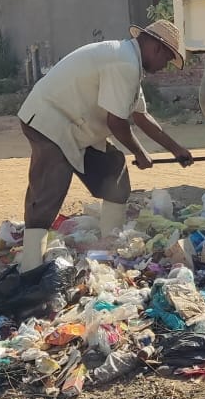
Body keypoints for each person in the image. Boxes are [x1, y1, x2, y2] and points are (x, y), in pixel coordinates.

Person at [15, 19, 194, 270]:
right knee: (48, 191)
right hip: (50, 121)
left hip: (77, 126)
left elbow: (141, 116)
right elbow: (117, 123)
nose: (164, 66)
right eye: (166, 60)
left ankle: (111, 244)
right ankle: (30, 266)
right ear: (156, 48)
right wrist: (140, 153)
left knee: (114, 170)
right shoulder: (124, 62)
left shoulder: (128, 62)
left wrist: (177, 149)